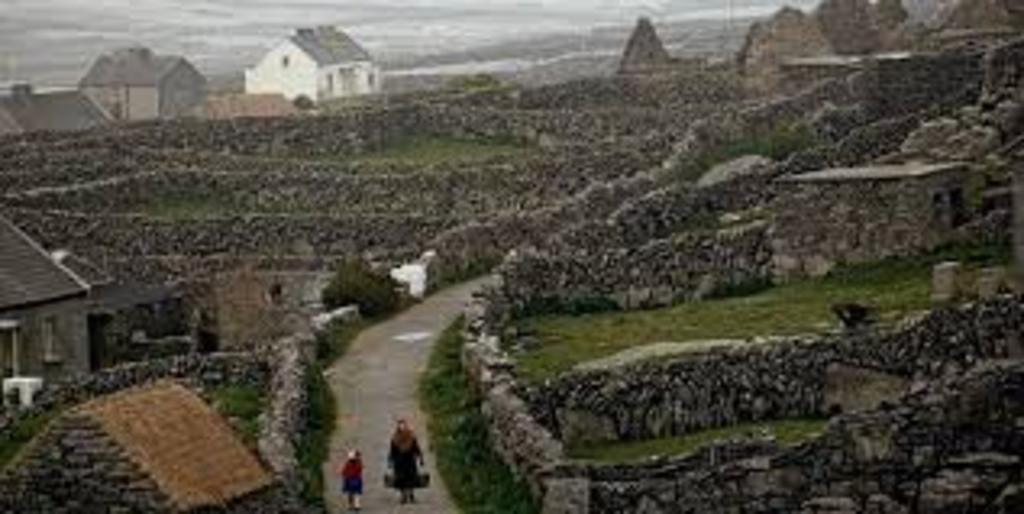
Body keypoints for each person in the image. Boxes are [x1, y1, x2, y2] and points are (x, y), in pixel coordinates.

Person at [388, 419, 424, 504]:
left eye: (403, 425)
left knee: (411, 478)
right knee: (401, 479)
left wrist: (420, 458)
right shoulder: (395, 438)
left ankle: (411, 495)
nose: (402, 427)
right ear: (398, 427)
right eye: (400, 425)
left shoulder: (411, 437)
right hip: (399, 461)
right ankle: (403, 496)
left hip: (410, 460)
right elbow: (392, 451)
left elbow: (416, 448)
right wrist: (390, 460)